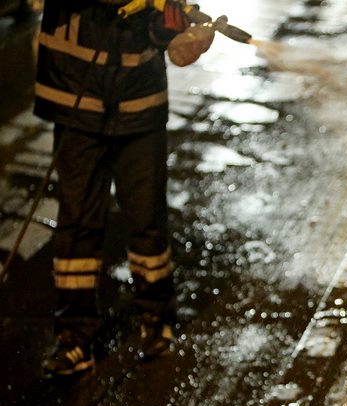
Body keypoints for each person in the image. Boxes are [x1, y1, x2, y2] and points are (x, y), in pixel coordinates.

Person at [35, 0, 213, 376]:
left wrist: (169, 29)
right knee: (78, 222)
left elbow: (160, 31)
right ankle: (74, 336)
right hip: (74, 97)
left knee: (147, 216)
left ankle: (156, 318)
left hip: (139, 101)